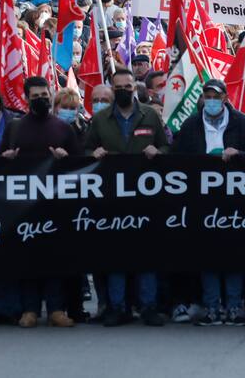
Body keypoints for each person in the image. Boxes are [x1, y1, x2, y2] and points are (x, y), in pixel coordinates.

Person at [81, 68, 169, 327]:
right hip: (112, 198)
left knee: (147, 256)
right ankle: (117, 308)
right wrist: (93, 153)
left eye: (127, 87)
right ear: (112, 88)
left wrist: (159, 151)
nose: (123, 91)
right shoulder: (100, 120)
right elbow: (86, 148)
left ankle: (149, 307)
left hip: (145, 198)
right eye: (118, 87)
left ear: (135, 87)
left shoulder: (150, 115)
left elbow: (166, 146)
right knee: (116, 255)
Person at [171, 79, 245, 326]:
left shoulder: (241, 123)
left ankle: (233, 306)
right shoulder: (190, 125)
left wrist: (239, 155)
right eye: (207, 96)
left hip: (234, 199)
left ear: (225, 98)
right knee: (207, 254)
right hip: (202, 200)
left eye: (215, 96)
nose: (211, 100)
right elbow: (178, 159)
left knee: (233, 254)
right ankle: (212, 307)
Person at [0, 77, 79, 328]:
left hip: (56, 203)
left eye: (45, 94)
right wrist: (6, 157)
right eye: (35, 96)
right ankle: (30, 309)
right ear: (26, 99)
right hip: (24, 204)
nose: (41, 99)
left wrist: (66, 158)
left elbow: (81, 164)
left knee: (55, 257)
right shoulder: (14, 127)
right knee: (27, 258)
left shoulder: (64, 129)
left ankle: (56, 309)